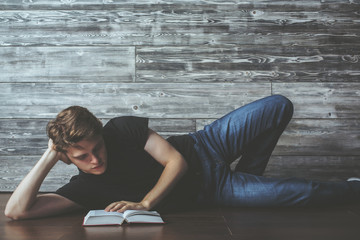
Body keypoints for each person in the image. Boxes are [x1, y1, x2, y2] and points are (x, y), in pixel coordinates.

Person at [5, 95, 360, 220]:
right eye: (81, 156)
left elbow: (176, 161)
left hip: (207, 145)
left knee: (277, 105)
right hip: (216, 189)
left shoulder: (121, 128)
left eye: (97, 148)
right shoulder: (82, 189)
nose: (95, 159)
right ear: (68, 157)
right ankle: (353, 189)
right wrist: (50, 155)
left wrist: (145, 203)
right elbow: (17, 212)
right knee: (306, 193)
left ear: (101, 134)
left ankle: (253, 174)